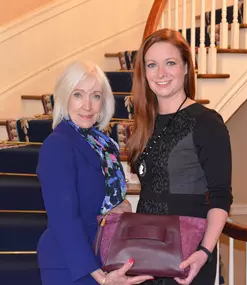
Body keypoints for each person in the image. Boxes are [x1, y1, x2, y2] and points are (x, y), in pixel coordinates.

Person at [127, 28, 233, 285]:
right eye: (152, 65)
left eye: (170, 63)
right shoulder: (144, 124)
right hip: (146, 253)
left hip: (188, 256)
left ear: (186, 67)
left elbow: (221, 197)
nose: (160, 73)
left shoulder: (207, 122)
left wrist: (204, 252)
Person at [37, 61, 153, 285]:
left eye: (96, 96)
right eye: (78, 95)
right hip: (73, 264)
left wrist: (123, 206)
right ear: (64, 97)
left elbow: (107, 200)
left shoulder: (104, 144)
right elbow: (64, 219)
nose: (87, 106)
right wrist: (99, 275)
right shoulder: (58, 145)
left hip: (105, 253)